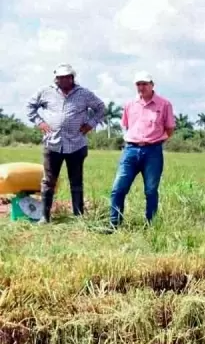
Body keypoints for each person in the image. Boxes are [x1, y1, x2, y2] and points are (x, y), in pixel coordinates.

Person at [25, 63, 106, 222]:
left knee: (76, 181)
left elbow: (101, 108)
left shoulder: (84, 94)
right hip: (52, 143)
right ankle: (45, 217)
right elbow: (29, 107)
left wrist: (90, 124)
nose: (62, 80)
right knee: (48, 181)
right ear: (56, 78)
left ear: (72, 78)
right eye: (59, 77)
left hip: (76, 144)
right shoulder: (46, 92)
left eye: (66, 77)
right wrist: (40, 122)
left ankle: (78, 217)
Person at [109, 71, 176, 228]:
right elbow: (126, 125)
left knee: (151, 190)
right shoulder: (130, 104)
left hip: (153, 151)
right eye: (138, 84)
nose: (141, 87)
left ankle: (151, 224)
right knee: (118, 188)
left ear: (152, 85)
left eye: (145, 84)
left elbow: (170, 128)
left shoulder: (164, 104)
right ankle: (114, 224)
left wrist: (157, 140)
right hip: (131, 150)